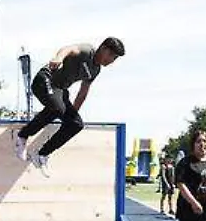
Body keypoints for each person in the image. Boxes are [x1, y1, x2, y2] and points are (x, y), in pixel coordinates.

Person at [12, 37, 125, 175]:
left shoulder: (95, 70)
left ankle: (41, 154)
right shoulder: (87, 51)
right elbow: (69, 49)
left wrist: (70, 117)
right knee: (57, 108)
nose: (111, 61)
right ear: (103, 49)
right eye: (112, 56)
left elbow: (83, 93)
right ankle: (22, 136)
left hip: (59, 90)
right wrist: (58, 57)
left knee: (76, 124)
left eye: (114, 59)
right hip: (45, 79)